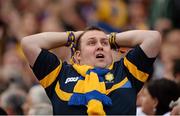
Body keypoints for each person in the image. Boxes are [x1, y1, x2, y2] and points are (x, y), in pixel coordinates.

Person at [21, 26, 161, 115]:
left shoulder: (125, 70)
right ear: (78, 56)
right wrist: (75, 37)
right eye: (92, 43)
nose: (100, 46)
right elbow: (29, 43)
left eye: (104, 44)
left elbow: (152, 38)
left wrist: (111, 38)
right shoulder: (60, 74)